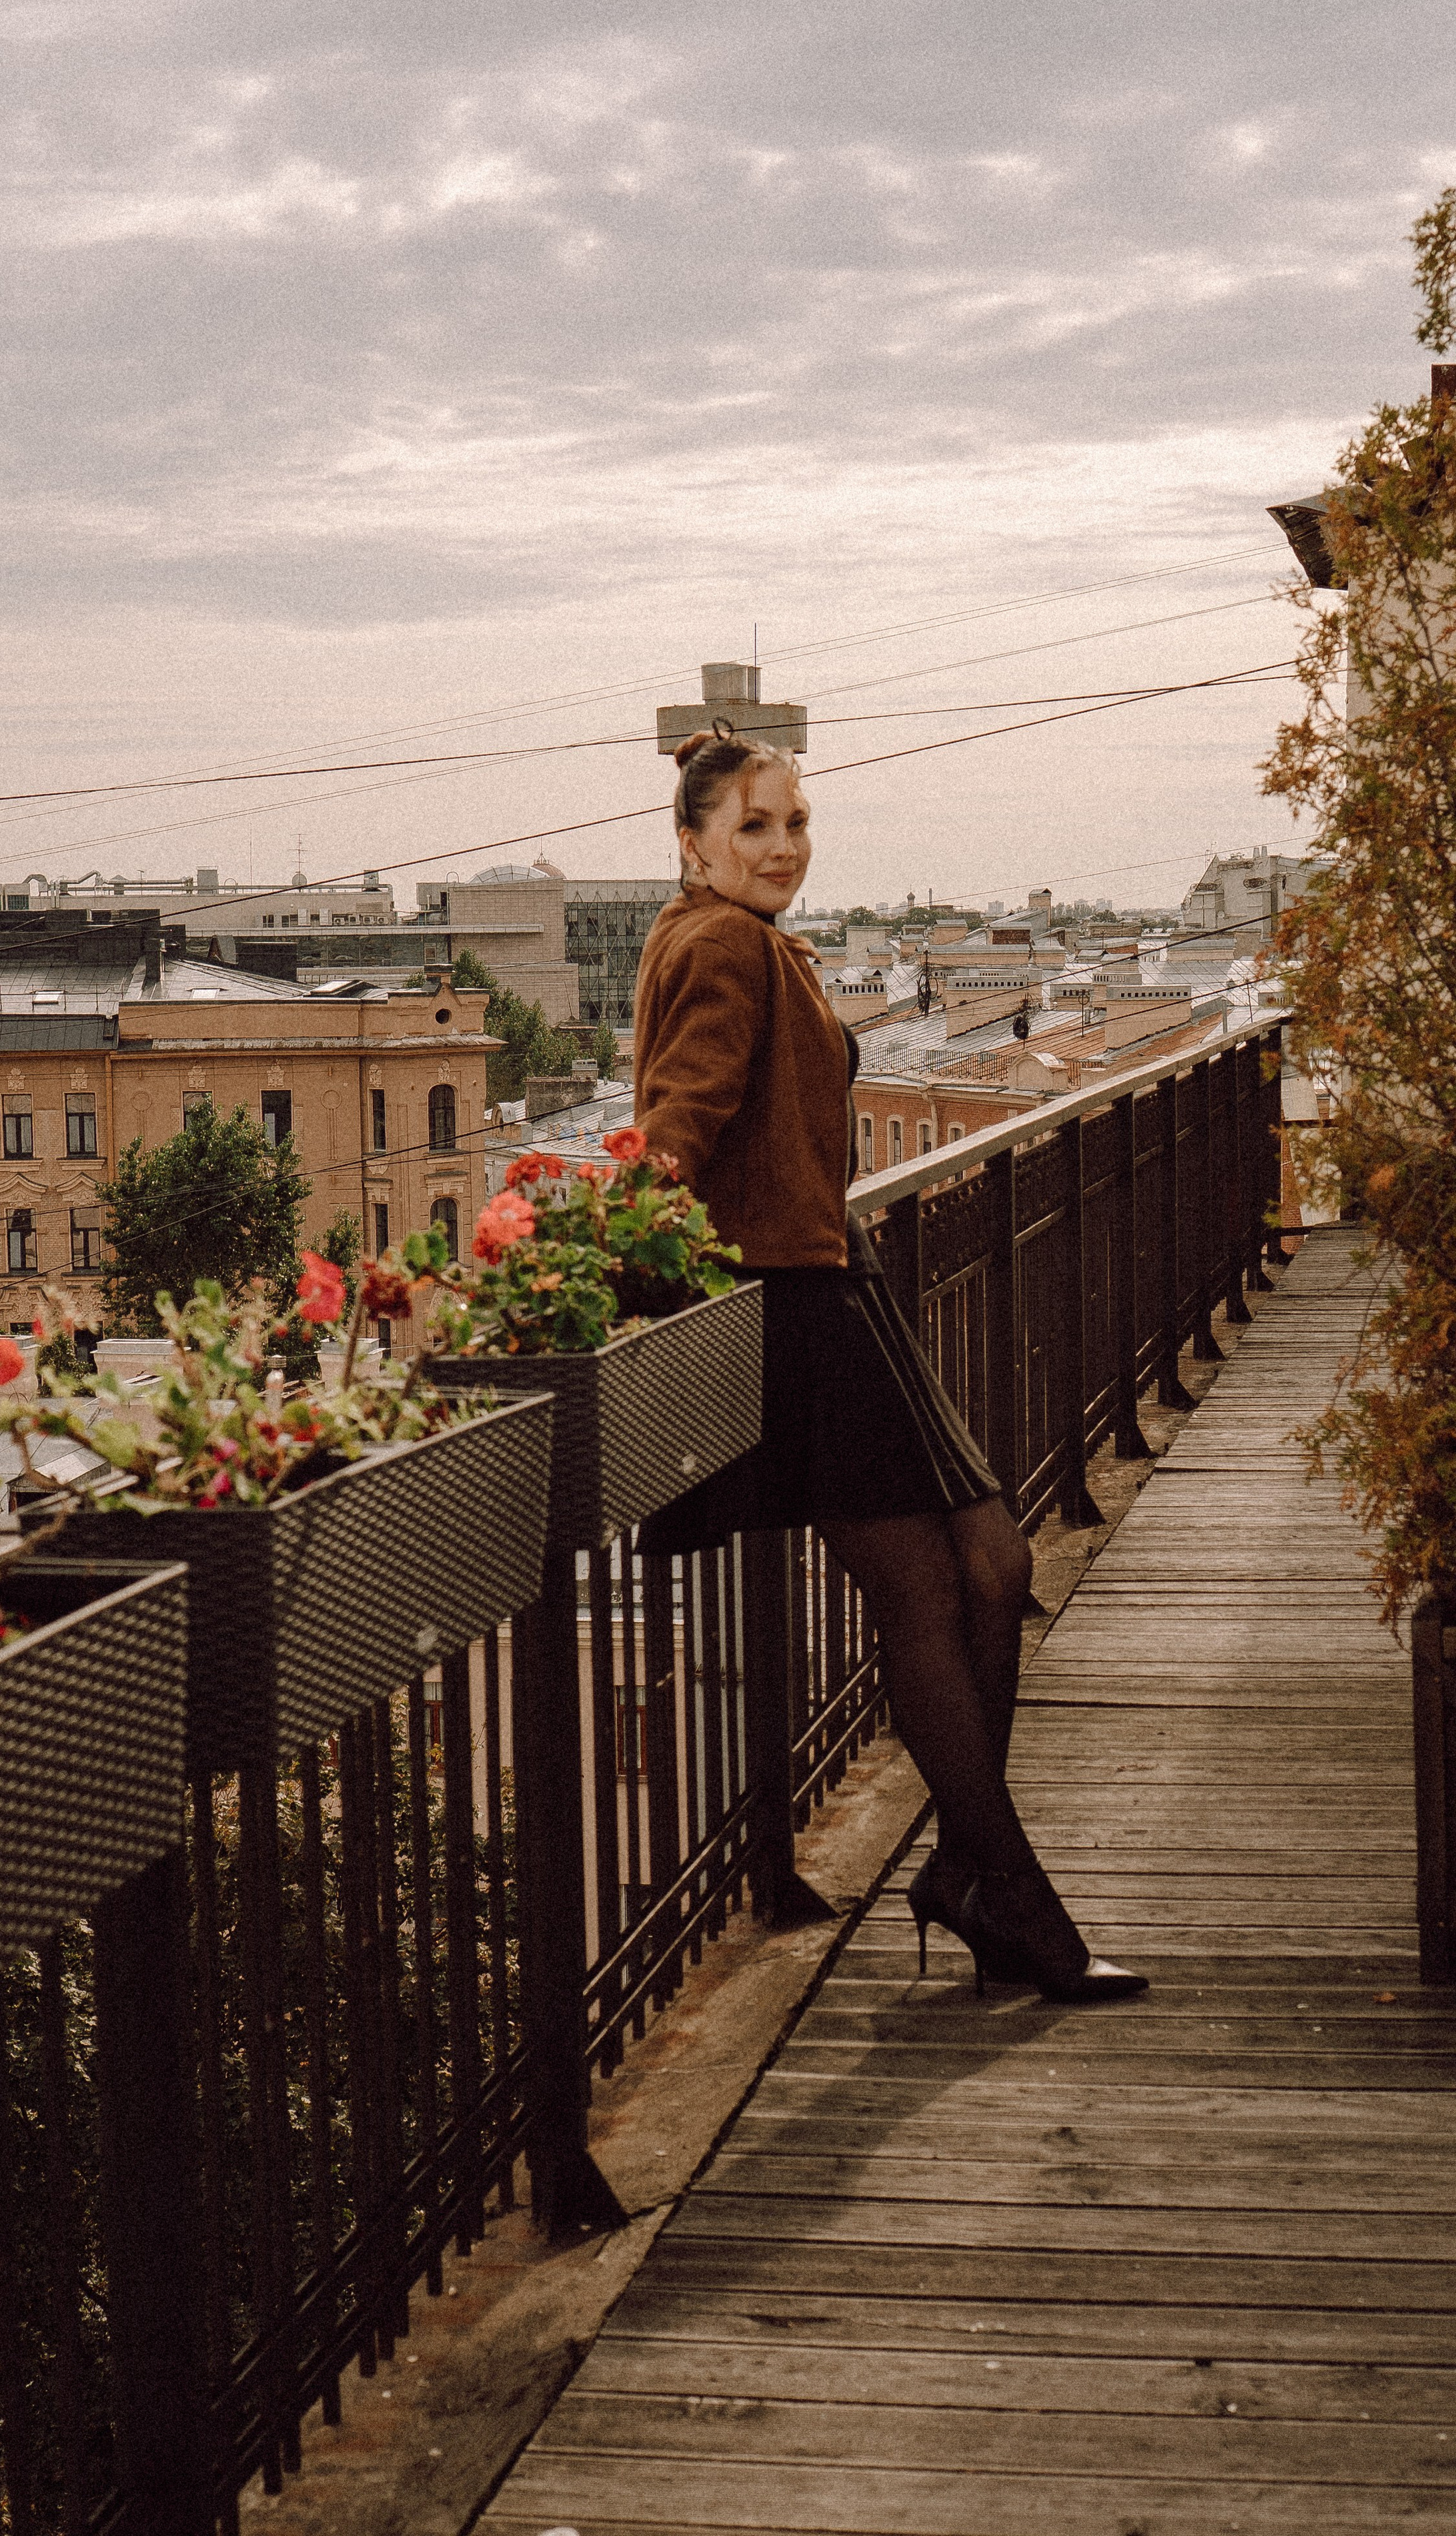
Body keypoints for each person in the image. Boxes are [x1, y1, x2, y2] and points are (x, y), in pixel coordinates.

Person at [632, 724, 1147, 2004]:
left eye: (795, 823)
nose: (784, 847)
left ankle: (973, 1869)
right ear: (691, 842)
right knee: (934, 1591)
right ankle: (1004, 1889)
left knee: (991, 1562)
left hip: (828, 1281)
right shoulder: (722, 945)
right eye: (755, 827)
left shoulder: (724, 938)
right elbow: (675, 1125)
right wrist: (584, 1245)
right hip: (790, 1303)